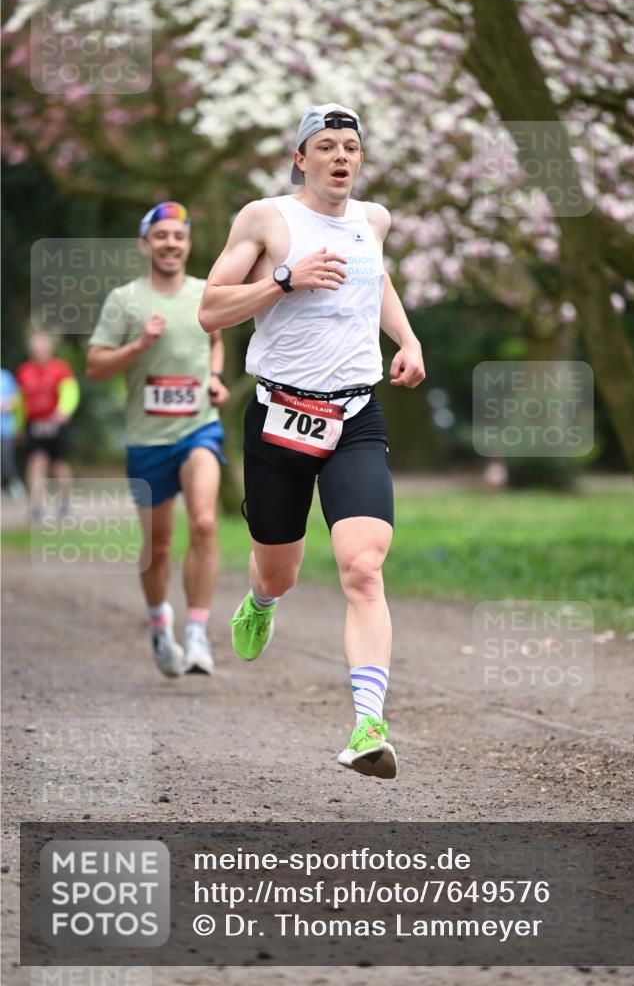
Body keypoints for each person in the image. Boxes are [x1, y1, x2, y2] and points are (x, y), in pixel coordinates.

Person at [199, 104, 425, 779]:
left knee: (362, 566)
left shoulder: (372, 221)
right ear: (300, 158)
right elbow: (209, 306)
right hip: (279, 416)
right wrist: (280, 280)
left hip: (355, 415)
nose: (339, 157)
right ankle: (261, 602)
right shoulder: (266, 219)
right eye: (324, 145)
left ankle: (367, 725)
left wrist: (407, 339)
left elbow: (374, 277)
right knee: (280, 570)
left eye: (350, 146)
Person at [87, 201, 230, 679]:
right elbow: (94, 365)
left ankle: (197, 633)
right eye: (162, 235)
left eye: (179, 236)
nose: (171, 243)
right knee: (159, 546)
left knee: (206, 521)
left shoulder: (205, 292)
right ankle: (158, 623)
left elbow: (214, 338)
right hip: (147, 440)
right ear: (144, 244)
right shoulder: (125, 299)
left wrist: (214, 377)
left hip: (199, 427)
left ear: (188, 244)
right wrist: (138, 346)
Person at [16, 333, 79, 522]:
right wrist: (19, 425)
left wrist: (63, 412)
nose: (38, 352)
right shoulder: (24, 371)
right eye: (35, 349)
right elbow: (21, 401)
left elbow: (70, 392)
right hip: (34, 423)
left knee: (59, 464)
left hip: (55, 423)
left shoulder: (60, 369)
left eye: (42, 349)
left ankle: (65, 503)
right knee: (36, 461)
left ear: (49, 349)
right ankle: (35, 506)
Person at [0, 367, 25, 499]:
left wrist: (7, 405)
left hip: (6, 429)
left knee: (7, 460)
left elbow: (17, 398)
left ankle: (16, 489)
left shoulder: (6, 376)